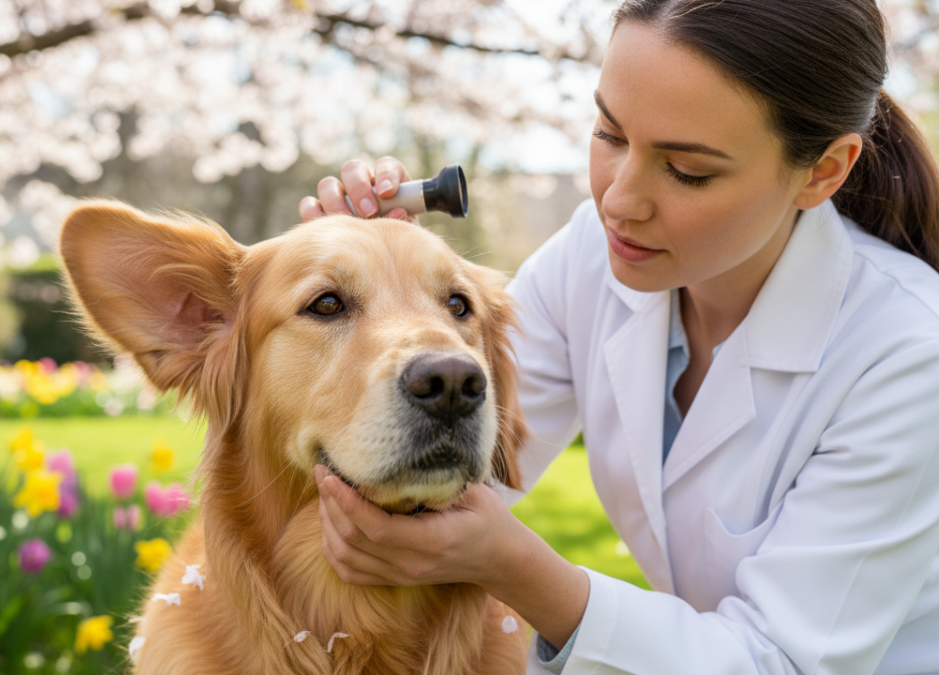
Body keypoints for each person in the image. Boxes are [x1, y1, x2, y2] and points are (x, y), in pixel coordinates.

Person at [298, 1, 939, 672]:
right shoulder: (591, 255)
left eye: (687, 169)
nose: (617, 200)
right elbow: (466, 451)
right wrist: (383, 280)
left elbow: (779, 660)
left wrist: (518, 568)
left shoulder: (907, 357)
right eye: (609, 133)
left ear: (824, 171)